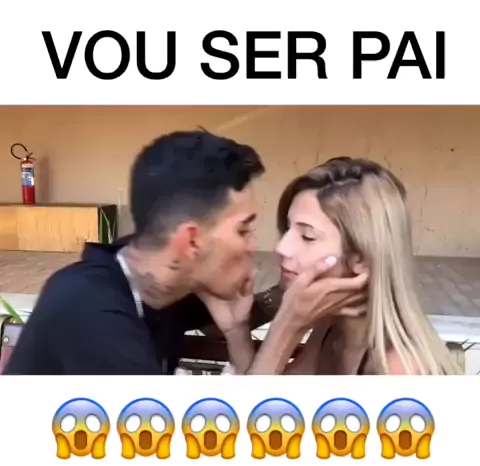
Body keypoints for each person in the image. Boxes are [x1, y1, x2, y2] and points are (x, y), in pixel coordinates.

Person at [3, 132, 367, 375]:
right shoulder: (92, 313)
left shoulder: (158, 283)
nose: (259, 245)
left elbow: (239, 311)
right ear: (192, 241)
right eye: (243, 229)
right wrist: (288, 327)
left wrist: (285, 297)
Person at [204, 157, 461, 375]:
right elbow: (272, 397)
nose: (282, 247)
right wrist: (236, 330)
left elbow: (257, 415)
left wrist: (288, 327)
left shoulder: (399, 368)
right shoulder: (332, 326)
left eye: (307, 237)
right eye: (288, 228)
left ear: (361, 259)